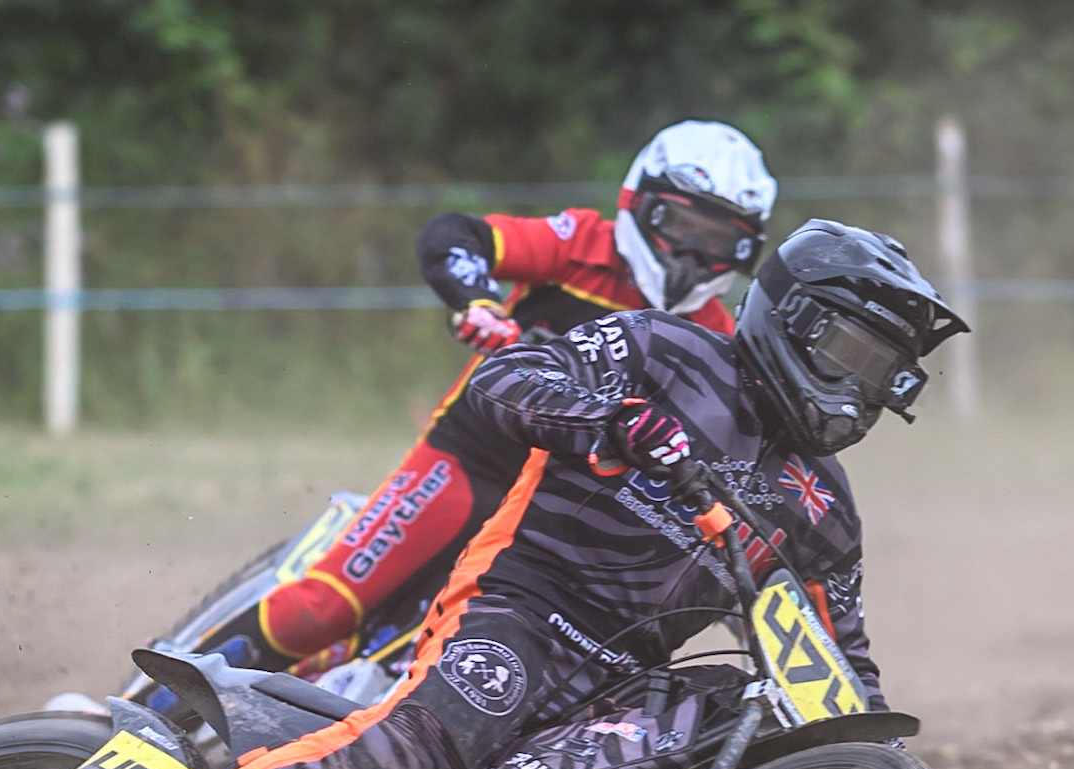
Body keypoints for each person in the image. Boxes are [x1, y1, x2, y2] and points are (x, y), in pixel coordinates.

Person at [85, 219, 968, 769]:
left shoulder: (824, 506)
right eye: (854, 353)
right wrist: (613, 422)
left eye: (884, 366)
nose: (863, 385)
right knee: (414, 759)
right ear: (796, 320)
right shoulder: (658, 347)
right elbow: (504, 380)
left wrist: (867, 764)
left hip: (619, 678)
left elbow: (838, 653)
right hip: (517, 605)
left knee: (792, 734)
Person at [183, 121, 777, 677]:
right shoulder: (580, 244)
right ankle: (150, 707)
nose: (691, 257)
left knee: (425, 667)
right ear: (636, 205)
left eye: (718, 242)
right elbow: (455, 234)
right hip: (470, 460)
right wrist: (475, 301)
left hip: (561, 519)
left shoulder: (718, 335)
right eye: (681, 227)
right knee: (319, 612)